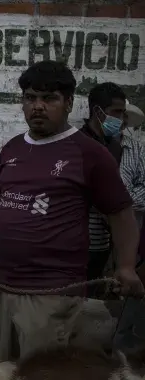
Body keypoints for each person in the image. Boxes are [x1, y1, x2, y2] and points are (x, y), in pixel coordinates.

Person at [0, 60, 144, 364]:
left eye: (49, 98)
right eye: (30, 98)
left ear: (69, 103)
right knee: (1, 369)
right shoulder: (14, 148)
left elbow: (121, 213)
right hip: (2, 287)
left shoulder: (89, 153)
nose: (38, 107)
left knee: (44, 371)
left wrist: (125, 266)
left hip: (54, 295)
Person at [79, 83, 126, 294]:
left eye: (123, 113)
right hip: (79, 240)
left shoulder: (114, 146)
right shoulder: (78, 144)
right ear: (98, 112)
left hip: (105, 240)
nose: (121, 119)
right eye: (116, 112)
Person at [113, 101, 145, 352]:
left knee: (130, 281)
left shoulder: (136, 147)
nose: (120, 122)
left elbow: (125, 192)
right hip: (99, 227)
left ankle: (122, 342)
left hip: (135, 224)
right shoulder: (98, 147)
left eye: (124, 118)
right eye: (116, 115)